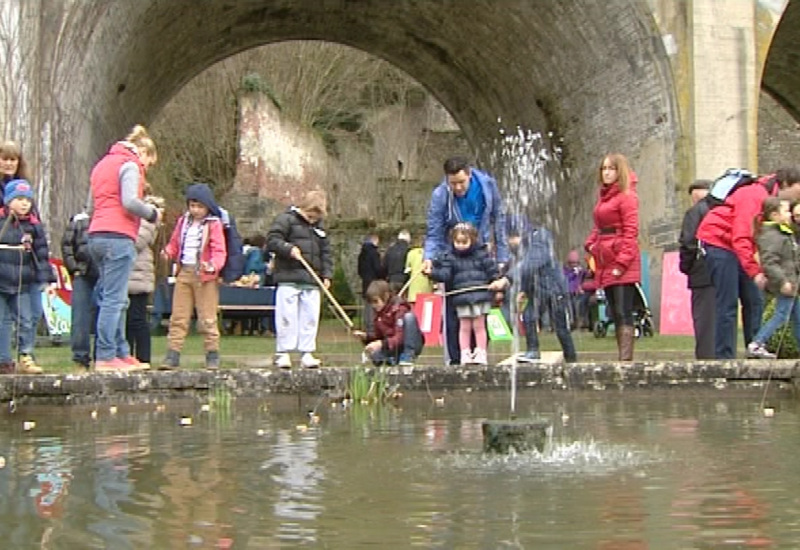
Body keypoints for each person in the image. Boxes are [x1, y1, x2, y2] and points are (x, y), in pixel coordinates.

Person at [696, 167, 800, 358]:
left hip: (740, 246)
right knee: (728, 303)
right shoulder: (754, 195)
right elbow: (742, 236)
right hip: (719, 242)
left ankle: (755, 349)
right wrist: (755, 271)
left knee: (754, 300)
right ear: (786, 185)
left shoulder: (775, 200)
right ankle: (724, 359)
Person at [88, 124, 162, 372]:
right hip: (118, 235)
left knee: (115, 298)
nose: (146, 170)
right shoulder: (129, 165)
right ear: (142, 152)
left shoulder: (101, 165)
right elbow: (129, 201)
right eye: (149, 164)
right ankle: (106, 355)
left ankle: (120, 352)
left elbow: (91, 205)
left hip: (97, 234)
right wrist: (152, 213)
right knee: (114, 299)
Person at [422, 156, 509, 365]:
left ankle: (479, 355)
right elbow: (434, 231)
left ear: (470, 174)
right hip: (454, 255)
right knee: (454, 314)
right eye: (453, 183)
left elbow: (499, 218)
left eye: (462, 182)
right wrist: (429, 259)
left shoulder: (488, 186)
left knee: (480, 312)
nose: (458, 187)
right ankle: (455, 359)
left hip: (480, 253)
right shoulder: (440, 195)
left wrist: (502, 257)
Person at [160, 184, 226, 370]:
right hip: (185, 272)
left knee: (207, 317)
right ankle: (173, 354)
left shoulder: (213, 224)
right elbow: (175, 243)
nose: (195, 210)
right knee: (178, 316)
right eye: (192, 206)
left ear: (207, 207)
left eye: (199, 206)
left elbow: (219, 250)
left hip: (205, 275)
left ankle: (212, 354)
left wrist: (213, 265)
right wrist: (168, 252)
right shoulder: (183, 222)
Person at [584, 153, 640, 361]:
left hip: (619, 258)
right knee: (614, 310)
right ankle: (622, 356)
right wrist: (590, 243)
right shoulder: (605, 197)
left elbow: (631, 231)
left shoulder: (627, 196)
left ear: (620, 171)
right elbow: (599, 226)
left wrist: (622, 262)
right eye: (604, 168)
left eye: (611, 168)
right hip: (605, 257)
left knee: (623, 309)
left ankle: (625, 358)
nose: (606, 172)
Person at [267, 189, 332, 369]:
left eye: (315, 217)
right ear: (303, 208)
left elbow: (326, 253)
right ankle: (283, 352)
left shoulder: (320, 228)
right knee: (286, 316)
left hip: (311, 280)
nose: (312, 220)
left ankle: (307, 352)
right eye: (310, 216)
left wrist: (326, 274)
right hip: (288, 277)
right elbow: (272, 240)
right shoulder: (285, 219)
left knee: (310, 316)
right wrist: (288, 249)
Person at [430, 222, 508, 366]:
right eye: (457, 242)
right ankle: (464, 353)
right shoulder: (450, 257)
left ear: (472, 240)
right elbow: (445, 275)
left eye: (464, 242)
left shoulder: (482, 254)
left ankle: (481, 352)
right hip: (462, 299)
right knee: (464, 327)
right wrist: (432, 273)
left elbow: (493, 272)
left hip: (480, 297)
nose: (460, 245)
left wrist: (497, 285)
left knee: (479, 327)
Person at [506, 216, 577, 363]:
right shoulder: (522, 248)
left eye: (512, 237)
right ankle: (532, 350)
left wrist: (508, 278)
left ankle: (571, 357)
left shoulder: (540, 240)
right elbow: (526, 270)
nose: (510, 242)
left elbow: (532, 264)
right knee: (529, 316)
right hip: (536, 290)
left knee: (560, 327)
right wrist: (523, 290)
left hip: (554, 289)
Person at [0, 179, 50, 374]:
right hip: (2, 280)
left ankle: (25, 355)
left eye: (27, 200)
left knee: (27, 320)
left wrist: (46, 278)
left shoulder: (33, 225)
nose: (24, 204)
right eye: (19, 199)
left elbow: (41, 254)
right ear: (8, 200)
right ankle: (4, 359)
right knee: (2, 321)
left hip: (23, 281)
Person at [747, 198, 800, 359]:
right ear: (775, 215)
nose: (790, 214)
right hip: (786, 283)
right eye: (786, 211)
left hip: (792, 283)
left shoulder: (783, 232)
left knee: (797, 317)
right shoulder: (773, 236)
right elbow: (770, 262)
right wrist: (782, 281)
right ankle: (757, 343)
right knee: (781, 315)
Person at [678, 179, 715, 359]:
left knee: (704, 320)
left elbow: (688, 242)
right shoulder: (721, 210)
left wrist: (687, 266)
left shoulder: (695, 212)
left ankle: (706, 358)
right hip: (722, 270)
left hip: (701, 270)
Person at [126, 192, 162, 369]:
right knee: (127, 320)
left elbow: (137, 241)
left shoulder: (148, 216)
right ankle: (127, 355)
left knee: (137, 319)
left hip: (139, 273)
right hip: (130, 273)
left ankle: (143, 357)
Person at [352, 279, 424, 366]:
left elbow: (400, 337)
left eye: (375, 301)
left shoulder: (399, 309)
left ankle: (408, 355)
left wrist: (381, 344)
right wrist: (366, 337)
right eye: (371, 303)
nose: (374, 306)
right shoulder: (379, 315)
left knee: (409, 317)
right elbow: (379, 336)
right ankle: (392, 359)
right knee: (375, 356)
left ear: (385, 296)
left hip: (405, 342)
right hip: (391, 346)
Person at [61, 208, 98, 370]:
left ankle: (102, 357)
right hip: (83, 273)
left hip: (104, 273)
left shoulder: (111, 219)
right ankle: (80, 358)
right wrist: (74, 268)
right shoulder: (79, 220)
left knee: (103, 317)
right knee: (80, 318)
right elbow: (67, 244)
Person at [357, 233, 384, 335]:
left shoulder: (361, 254)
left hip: (365, 282)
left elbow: (359, 270)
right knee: (375, 305)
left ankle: (367, 326)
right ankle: (374, 328)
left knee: (367, 306)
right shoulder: (374, 253)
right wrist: (382, 275)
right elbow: (378, 268)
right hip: (374, 282)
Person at [404, 234, 433, 304]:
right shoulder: (430, 254)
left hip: (413, 288)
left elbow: (407, 270)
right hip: (426, 288)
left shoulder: (410, 253)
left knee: (414, 312)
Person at [563, 249, 588, 330]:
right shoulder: (565, 271)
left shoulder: (580, 271)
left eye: (576, 263)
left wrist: (585, 272)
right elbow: (566, 279)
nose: (575, 265)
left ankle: (581, 322)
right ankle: (571, 321)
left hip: (577, 292)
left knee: (579, 305)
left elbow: (585, 276)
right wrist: (573, 273)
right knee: (570, 307)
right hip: (568, 291)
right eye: (572, 263)